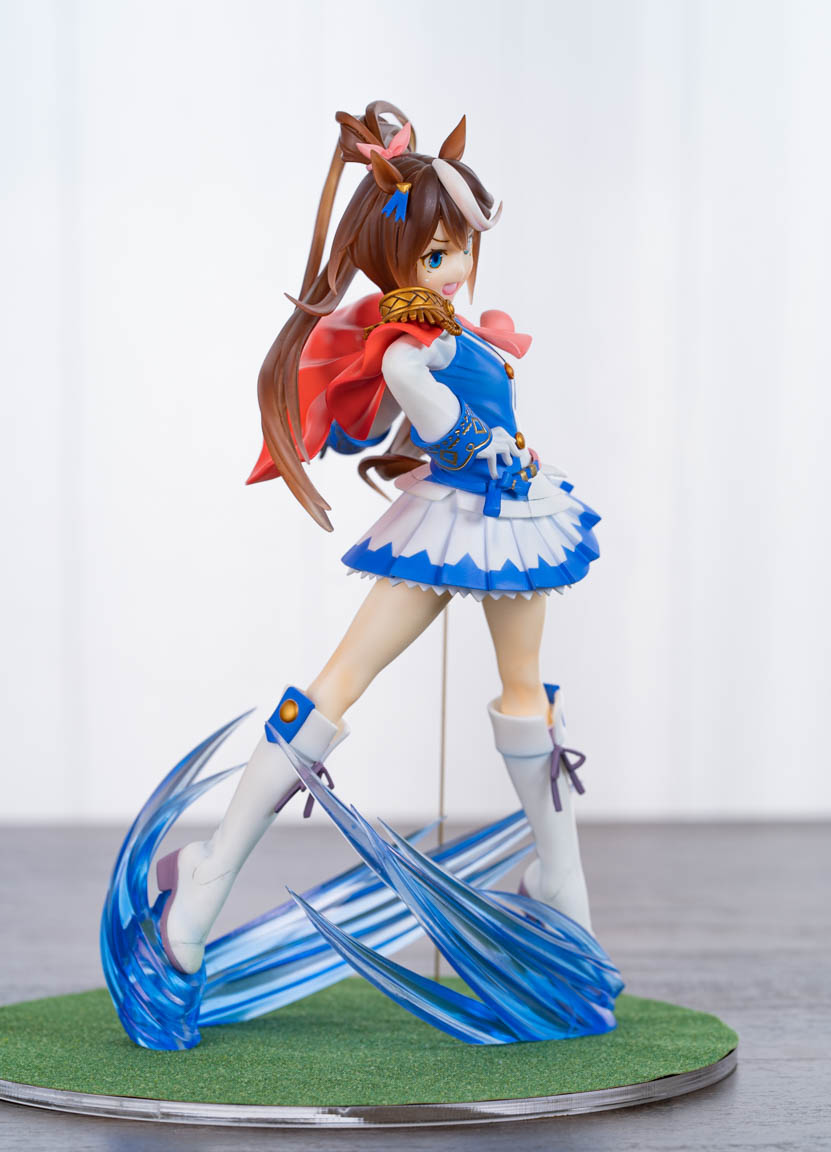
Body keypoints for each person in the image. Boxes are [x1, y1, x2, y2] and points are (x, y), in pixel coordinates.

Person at [157, 102, 600, 976]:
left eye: (461, 248)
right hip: (457, 521)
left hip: (503, 518)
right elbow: (437, 420)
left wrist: (503, 445)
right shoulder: (410, 340)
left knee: (523, 690)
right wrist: (474, 436)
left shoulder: (448, 329)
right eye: (437, 253)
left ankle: (560, 880)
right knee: (344, 682)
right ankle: (207, 875)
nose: (456, 266)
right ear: (398, 254)